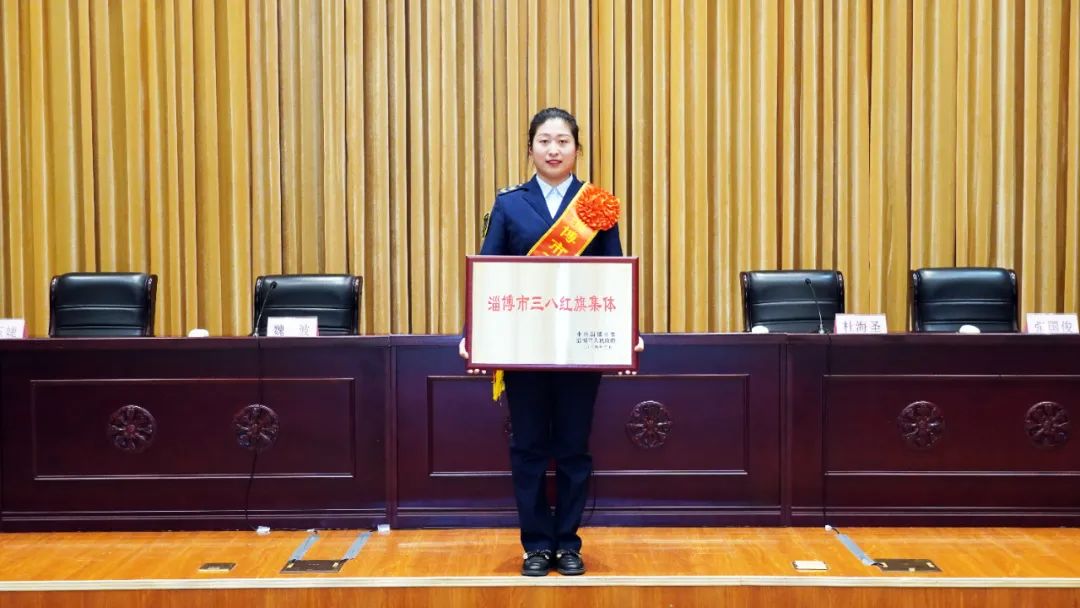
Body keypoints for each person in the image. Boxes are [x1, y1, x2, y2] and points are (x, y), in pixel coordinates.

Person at [458, 107, 643, 576]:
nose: (554, 149)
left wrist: (627, 332)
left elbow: (613, 275)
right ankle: (537, 544)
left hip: (581, 346)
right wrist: (474, 335)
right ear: (530, 149)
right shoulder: (509, 204)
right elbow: (490, 274)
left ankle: (569, 543)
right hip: (523, 347)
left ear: (577, 149)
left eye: (563, 141)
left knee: (574, 447)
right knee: (529, 448)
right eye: (544, 141)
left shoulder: (595, 205)